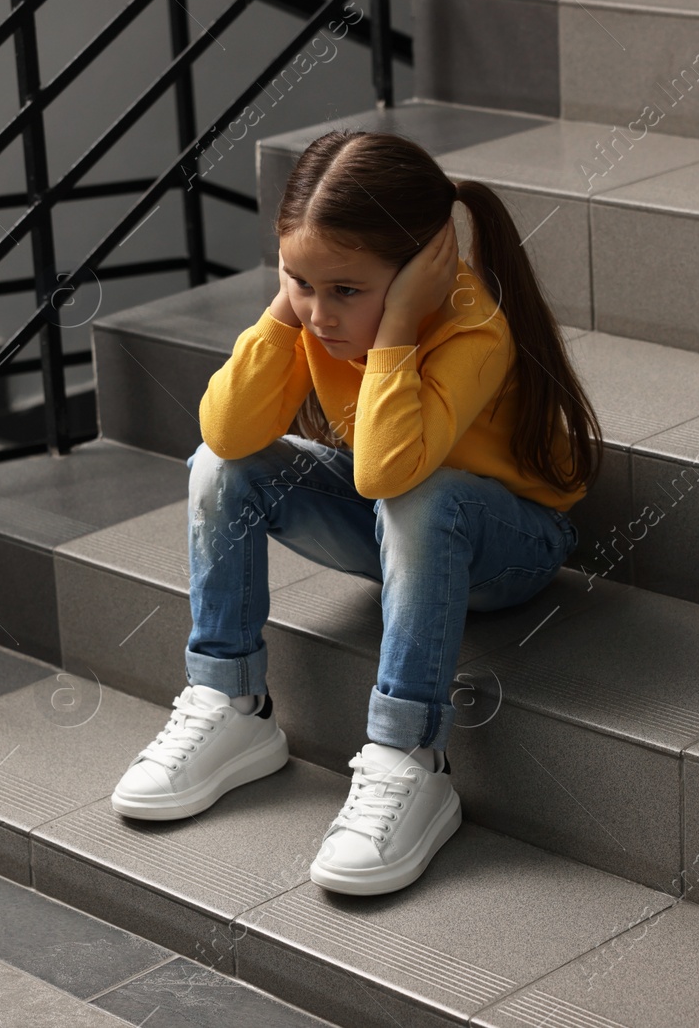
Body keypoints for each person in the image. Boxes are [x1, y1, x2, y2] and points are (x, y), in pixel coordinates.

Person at [109, 130, 602, 895]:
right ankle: (231, 698)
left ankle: (413, 758)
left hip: (508, 545)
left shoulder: (474, 328)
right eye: (299, 279)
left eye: (345, 290)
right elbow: (227, 431)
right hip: (399, 524)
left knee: (421, 493)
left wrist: (397, 327)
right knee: (220, 467)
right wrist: (288, 302)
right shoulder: (312, 312)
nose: (320, 314)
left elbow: (384, 472)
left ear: (419, 275)